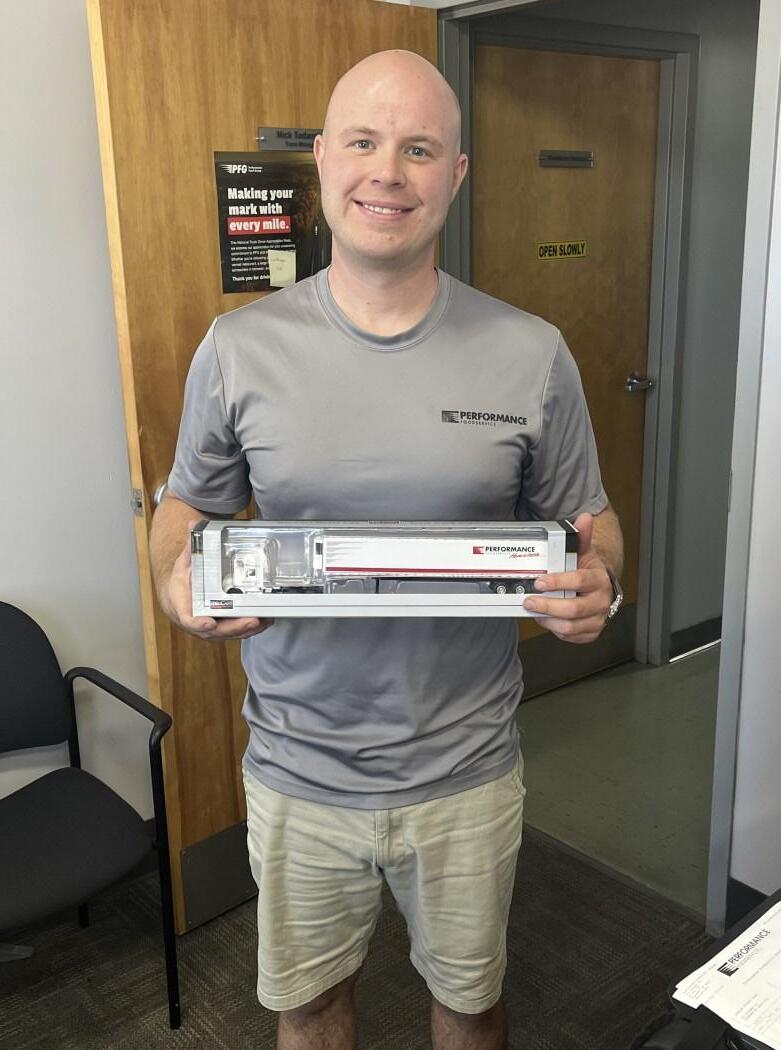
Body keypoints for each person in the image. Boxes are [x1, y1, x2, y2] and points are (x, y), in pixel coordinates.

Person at [151, 49, 623, 1050]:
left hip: (466, 769)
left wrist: (602, 584)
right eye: (363, 142)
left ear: (455, 173)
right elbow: (185, 507)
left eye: (418, 148)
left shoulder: (530, 350)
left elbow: (589, 520)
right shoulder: (238, 348)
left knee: (470, 1006)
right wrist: (176, 584)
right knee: (310, 1009)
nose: (387, 172)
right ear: (324, 158)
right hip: (299, 767)